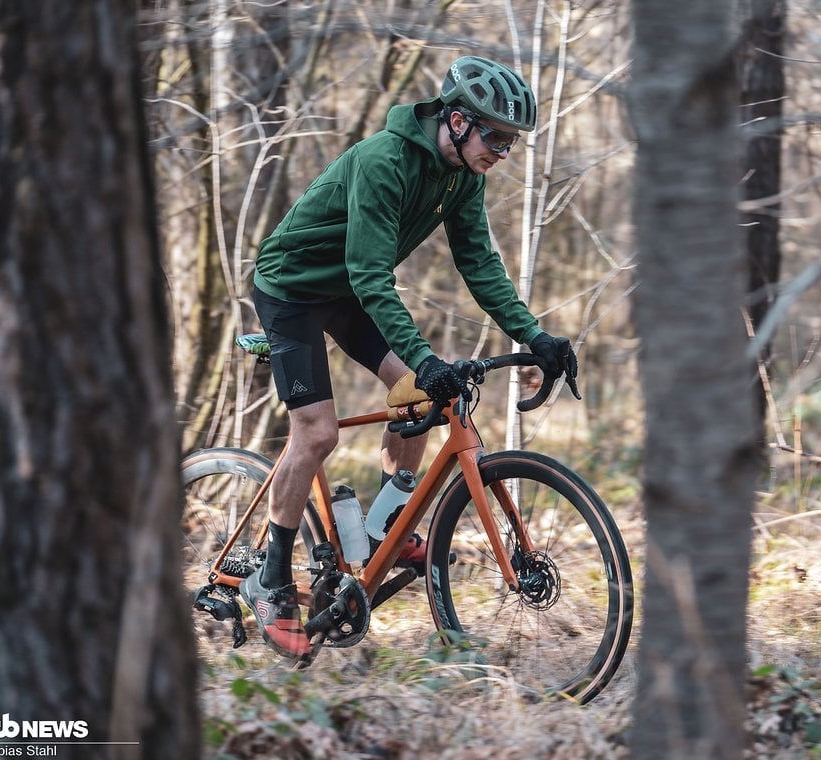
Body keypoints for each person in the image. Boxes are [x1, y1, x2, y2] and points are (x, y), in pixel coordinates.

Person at [241, 55, 578, 658]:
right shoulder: (383, 161)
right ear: (455, 121)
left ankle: (381, 535)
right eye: (495, 136)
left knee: (428, 397)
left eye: (512, 142)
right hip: (292, 289)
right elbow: (371, 273)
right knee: (316, 434)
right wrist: (422, 356)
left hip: (346, 290)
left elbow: (480, 266)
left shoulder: (462, 176)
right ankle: (270, 580)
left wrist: (536, 336)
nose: (502, 151)